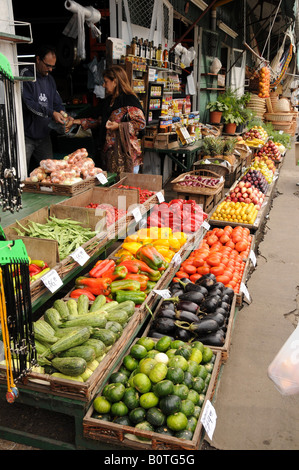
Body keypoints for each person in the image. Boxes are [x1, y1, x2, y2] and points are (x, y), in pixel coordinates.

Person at [68, 65, 146, 175]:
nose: (104, 85)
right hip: (110, 155)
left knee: (127, 188)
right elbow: (100, 122)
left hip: (126, 155)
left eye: (106, 82)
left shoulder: (129, 99)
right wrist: (76, 121)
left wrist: (118, 126)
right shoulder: (109, 101)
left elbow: (141, 123)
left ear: (115, 82)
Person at [20, 45, 68, 171]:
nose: (50, 70)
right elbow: (28, 104)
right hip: (26, 136)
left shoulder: (50, 79)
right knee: (22, 171)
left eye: (53, 66)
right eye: (48, 65)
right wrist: (51, 113)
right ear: (38, 59)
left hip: (44, 136)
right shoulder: (26, 75)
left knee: (51, 172)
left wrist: (62, 113)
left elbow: (56, 101)